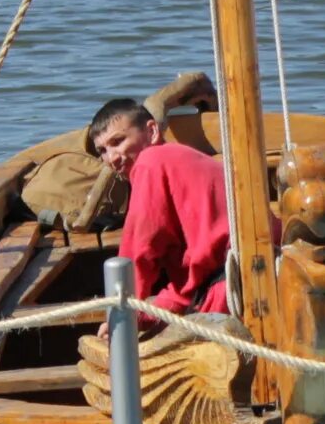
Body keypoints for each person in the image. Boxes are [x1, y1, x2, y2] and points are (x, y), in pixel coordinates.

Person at [89, 96, 232, 317]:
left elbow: (138, 252)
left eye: (117, 142)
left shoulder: (151, 161)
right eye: (103, 151)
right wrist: (147, 317)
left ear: (152, 131)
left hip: (234, 289)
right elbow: (186, 288)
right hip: (232, 278)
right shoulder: (180, 158)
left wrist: (121, 318)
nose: (112, 158)